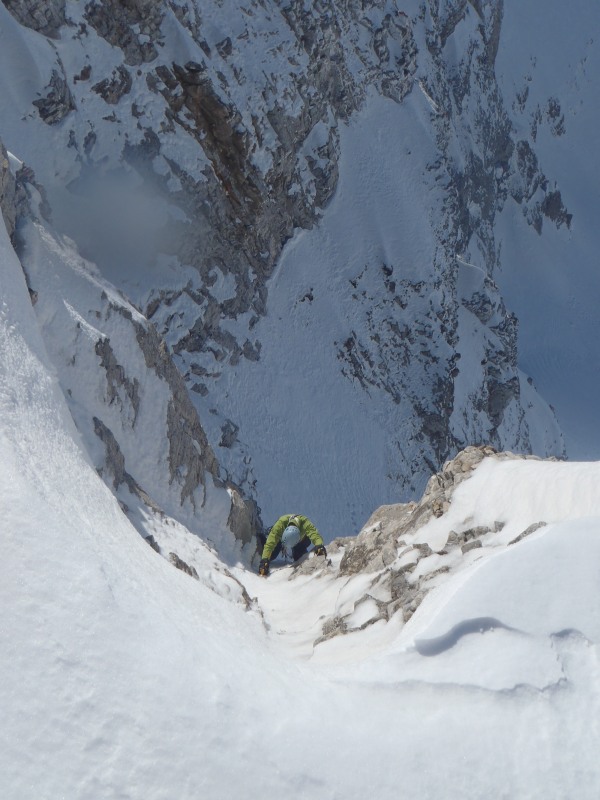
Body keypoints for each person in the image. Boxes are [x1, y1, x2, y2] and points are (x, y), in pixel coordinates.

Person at [258, 513, 327, 576]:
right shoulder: (280, 525)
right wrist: (264, 560)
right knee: (272, 555)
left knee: (299, 557)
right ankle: (261, 536)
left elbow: (314, 534)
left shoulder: (305, 522)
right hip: (282, 537)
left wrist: (319, 545)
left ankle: (298, 547)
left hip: (302, 539)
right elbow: (270, 544)